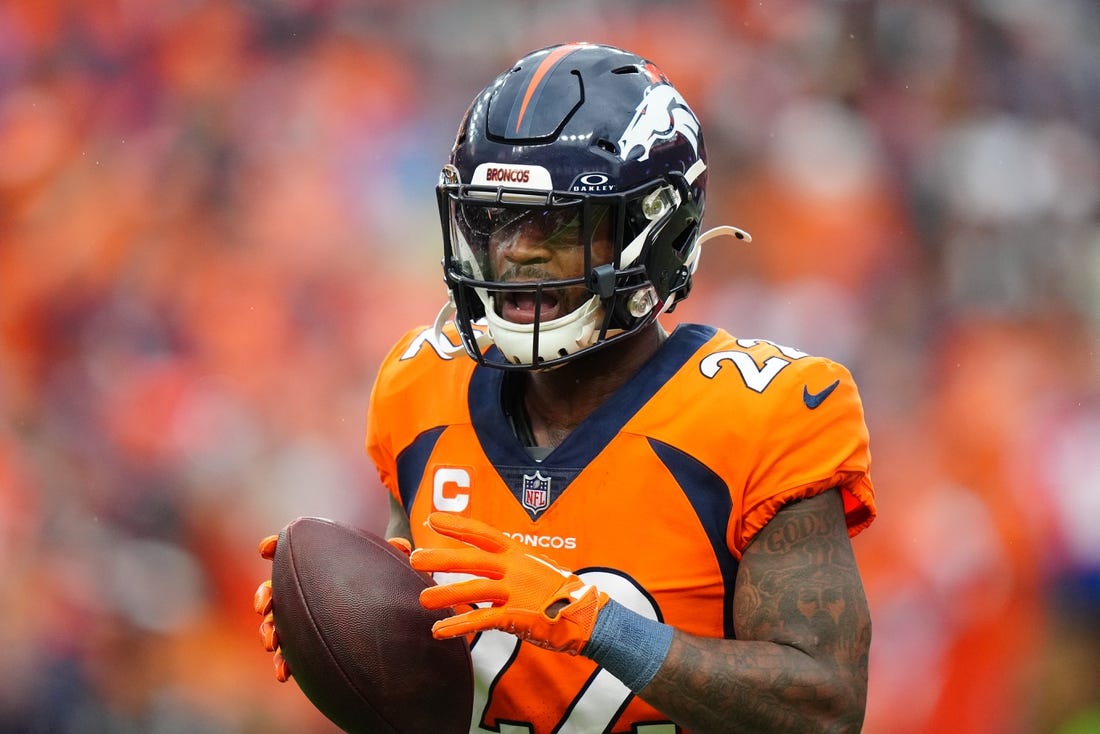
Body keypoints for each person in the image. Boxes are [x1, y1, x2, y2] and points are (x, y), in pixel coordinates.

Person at [254, 41, 877, 733]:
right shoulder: (424, 386)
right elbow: (420, 659)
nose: (516, 249)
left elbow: (824, 710)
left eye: (558, 221)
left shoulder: (764, 415)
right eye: (494, 218)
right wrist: (345, 625)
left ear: (653, 229)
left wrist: (594, 625)